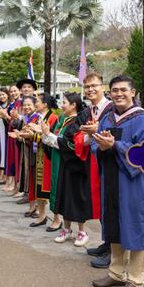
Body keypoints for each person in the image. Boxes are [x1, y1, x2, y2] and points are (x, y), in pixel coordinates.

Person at [91, 75, 144, 287]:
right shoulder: (107, 118)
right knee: (114, 225)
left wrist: (115, 145)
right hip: (110, 180)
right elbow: (94, 143)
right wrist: (100, 145)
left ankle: (136, 280)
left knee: (134, 226)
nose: (118, 94)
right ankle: (116, 273)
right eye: (114, 91)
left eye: (123, 90)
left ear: (133, 92)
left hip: (133, 184)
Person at [42, 93, 92, 246]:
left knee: (76, 198)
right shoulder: (63, 120)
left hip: (76, 166)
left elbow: (71, 144)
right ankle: (67, 229)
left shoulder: (78, 121)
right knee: (64, 196)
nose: (61, 105)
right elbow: (58, 140)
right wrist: (46, 135)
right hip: (64, 163)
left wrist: (48, 134)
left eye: (64, 102)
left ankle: (82, 232)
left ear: (73, 105)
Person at [77, 72, 112, 268]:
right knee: (100, 202)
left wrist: (97, 130)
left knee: (108, 202)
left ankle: (112, 248)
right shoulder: (91, 110)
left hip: (108, 160)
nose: (90, 89)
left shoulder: (111, 108)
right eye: (87, 86)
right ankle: (106, 242)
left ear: (103, 87)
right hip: (94, 159)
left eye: (94, 86)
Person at [26, 93, 58, 227]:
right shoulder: (38, 117)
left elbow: (53, 138)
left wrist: (35, 133)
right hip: (38, 155)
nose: (35, 104)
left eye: (37, 101)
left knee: (52, 188)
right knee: (39, 187)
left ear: (45, 104)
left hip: (48, 156)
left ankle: (57, 219)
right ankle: (42, 215)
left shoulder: (53, 118)